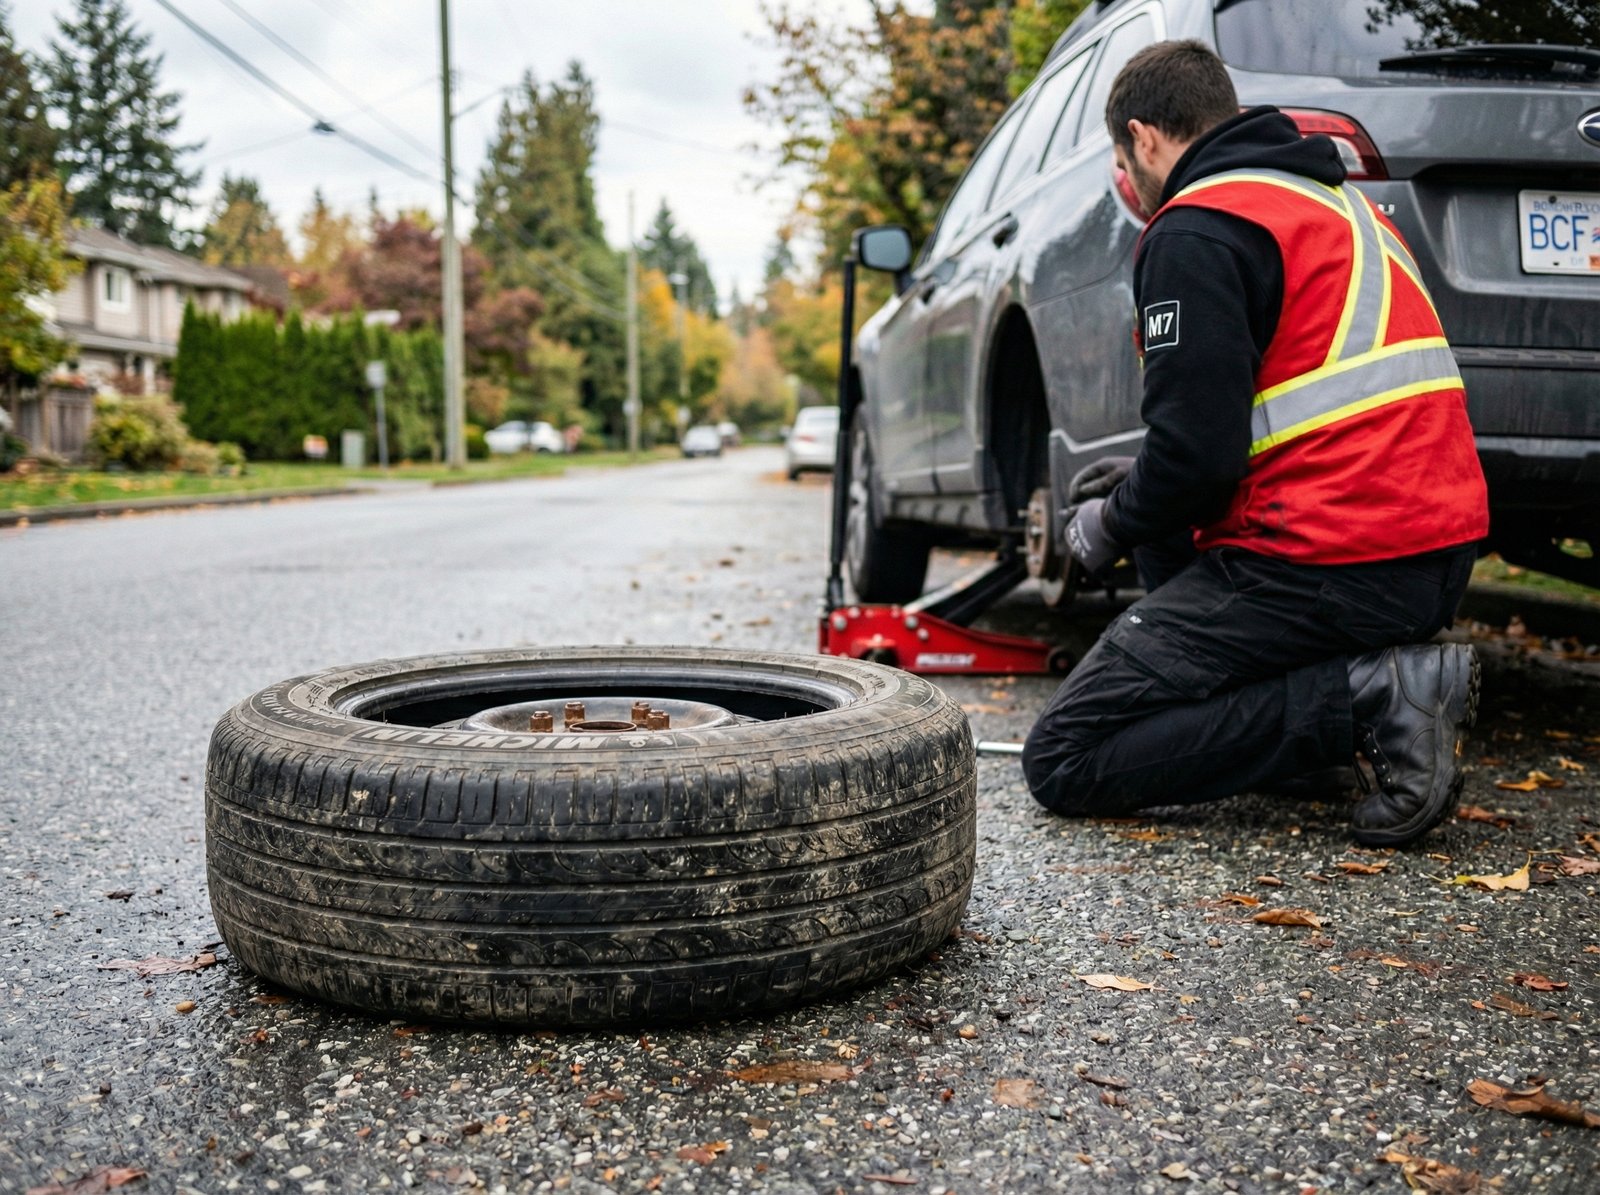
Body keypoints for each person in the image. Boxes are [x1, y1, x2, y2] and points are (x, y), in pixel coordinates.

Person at [1021, 40, 1489, 847]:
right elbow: (1287, 417)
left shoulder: (1197, 227)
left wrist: (1109, 524)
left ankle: (1367, 698)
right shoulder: (1335, 207)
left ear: (1144, 138)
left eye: (1122, 161)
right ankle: (1304, 744)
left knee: (1066, 756)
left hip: (1334, 559)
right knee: (1162, 519)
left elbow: (1198, 464)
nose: (1126, 181)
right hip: (1425, 557)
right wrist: (1144, 486)